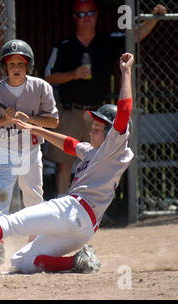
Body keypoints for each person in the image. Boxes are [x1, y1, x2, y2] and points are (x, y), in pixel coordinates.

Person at [0, 52, 135, 275]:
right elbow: (69, 144)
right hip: (83, 229)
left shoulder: (114, 149)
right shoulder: (93, 152)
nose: (92, 130)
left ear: (114, 134)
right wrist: (35, 128)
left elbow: (124, 111)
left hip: (73, 209)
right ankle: (79, 262)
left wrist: (125, 73)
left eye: (98, 129)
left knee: (10, 223)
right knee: (22, 261)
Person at [44, 0, 167, 196]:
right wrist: (73, 74)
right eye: (82, 14)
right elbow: (48, 76)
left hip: (98, 115)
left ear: (97, 15)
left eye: (91, 13)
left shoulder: (106, 41)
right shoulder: (65, 45)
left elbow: (134, 36)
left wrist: (153, 17)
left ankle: (92, 208)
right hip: (70, 111)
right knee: (64, 163)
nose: (87, 18)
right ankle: (61, 204)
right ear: (75, 18)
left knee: (98, 162)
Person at [0, 39, 59, 264]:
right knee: (2, 194)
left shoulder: (41, 87)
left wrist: (29, 119)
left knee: (33, 195)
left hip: (31, 150)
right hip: (4, 150)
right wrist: (4, 119)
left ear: (28, 66)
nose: (16, 68)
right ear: (5, 67)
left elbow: (53, 122)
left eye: (21, 64)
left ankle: (36, 242)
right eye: (11, 64)